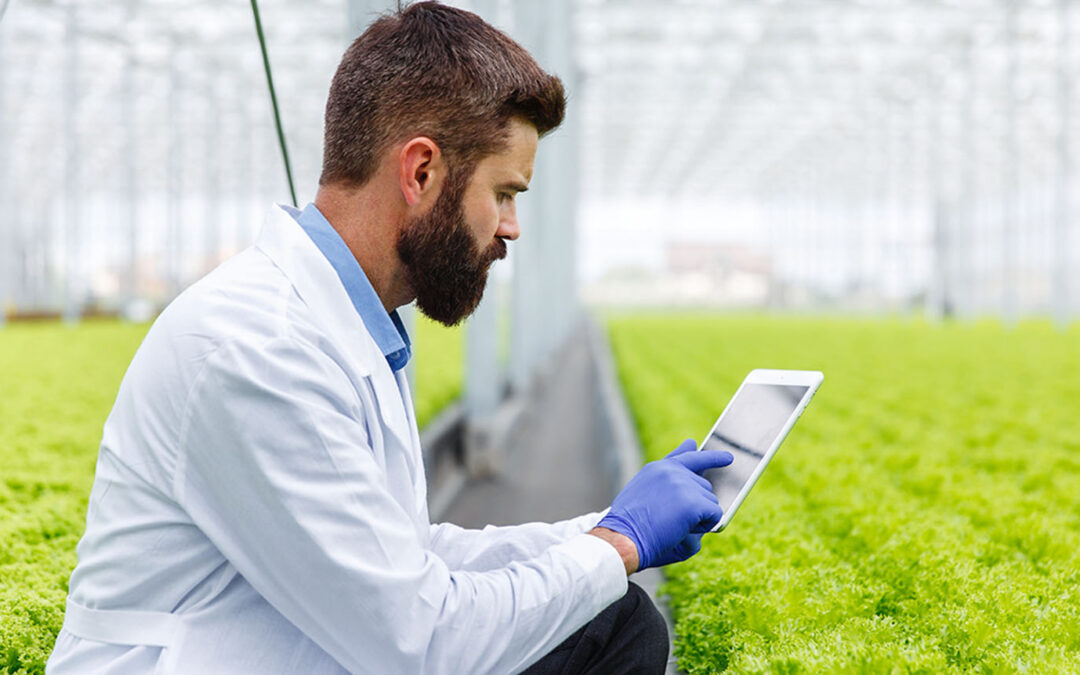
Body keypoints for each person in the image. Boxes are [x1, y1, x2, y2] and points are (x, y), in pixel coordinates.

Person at [46, 3, 733, 673]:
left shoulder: (357, 325)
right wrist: (617, 545)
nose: (512, 226)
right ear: (421, 171)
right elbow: (421, 645)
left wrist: (602, 526)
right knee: (608, 624)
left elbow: (407, 557)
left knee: (606, 621)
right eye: (503, 193)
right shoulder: (257, 346)